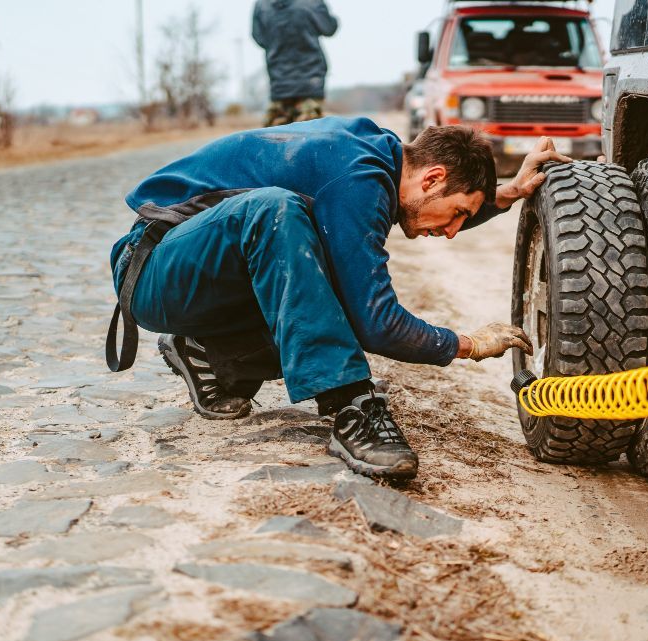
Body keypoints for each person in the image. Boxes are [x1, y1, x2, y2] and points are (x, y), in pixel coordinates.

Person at [108, 117, 567, 481]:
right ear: (433, 178)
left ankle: (211, 355)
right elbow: (376, 322)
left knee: (322, 282)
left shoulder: (380, 164)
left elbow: (412, 220)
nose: (450, 232)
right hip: (150, 269)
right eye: (458, 214)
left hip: (195, 276)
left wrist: (503, 195)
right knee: (275, 211)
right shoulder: (358, 175)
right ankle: (350, 405)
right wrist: (466, 344)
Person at [252, 0, 338, 127]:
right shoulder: (312, 2)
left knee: (275, 140)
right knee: (310, 138)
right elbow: (329, 28)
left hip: (279, 84)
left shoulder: (261, 5)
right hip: (310, 82)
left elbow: (259, 38)